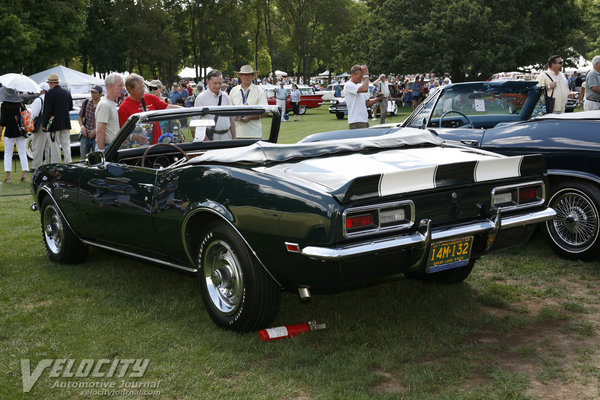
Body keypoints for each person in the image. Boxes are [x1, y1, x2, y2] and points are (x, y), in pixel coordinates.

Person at [118, 73, 181, 144]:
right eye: (139, 88)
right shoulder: (124, 107)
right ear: (130, 90)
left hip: (157, 145)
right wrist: (133, 137)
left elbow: (168, 107)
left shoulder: (150, 98)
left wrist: (190, 110)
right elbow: (120, 133)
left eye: (143, 87)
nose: (143, 90)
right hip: (138, 151)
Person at [193, 69, 236, 141]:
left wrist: (234, 138)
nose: (218, 86)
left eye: (220, 83)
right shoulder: (201, 98)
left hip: (227, 137)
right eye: (215, 83)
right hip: (212, 138)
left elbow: (231, 118)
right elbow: (197, 123)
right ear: (207, 82)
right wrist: (208, 142)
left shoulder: (225, 96)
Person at [229, 64, 268, 138]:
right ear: (240, 76)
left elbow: (266, 112)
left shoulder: (259, 91)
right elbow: (228, 111)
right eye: (244, 75)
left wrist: (250, 117)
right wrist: (235, 117)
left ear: (252, 76)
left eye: (249, 75)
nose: (246, 77)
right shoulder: (233, 91)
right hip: (236, 134)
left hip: (254, 134)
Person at [41, 73, 73, 163]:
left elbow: (47, 110)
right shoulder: (66, 92)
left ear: (50, 83)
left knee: (55, 146)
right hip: (66, 122)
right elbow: (70, 107)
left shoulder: (50, 93)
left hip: (54, 124)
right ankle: (69, 163)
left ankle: (57, 165)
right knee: (66, 145)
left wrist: (44, 124)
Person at [0, 88, 29, 182]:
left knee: (8, 154)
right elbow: (25, 115)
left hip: (9, 132)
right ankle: (24, 175)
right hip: (21, 131)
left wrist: (0, 133)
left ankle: (8, 176)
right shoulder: (20, 103)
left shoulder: (4, 105)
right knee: (22, 153)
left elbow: (2, 122)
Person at [342, 64, 382, 129]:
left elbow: (367, 103)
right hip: (356, 121)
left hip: (364, 120)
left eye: (362, 76)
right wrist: (366, 75)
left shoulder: (359, 86)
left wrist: (378, 98)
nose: (361, 78)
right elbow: (365, 89)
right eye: (360, 76)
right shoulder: (348, 85)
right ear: (352, 75)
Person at [96, 73, 124, 151]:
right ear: (110, 86)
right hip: (107, 148)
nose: (122, 89)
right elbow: (100, 131)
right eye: (119, 86)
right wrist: (101, 152)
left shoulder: (111, 103)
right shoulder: (105, 104)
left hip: (112, 146)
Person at [30, 83, 50, 171]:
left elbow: (34, 114)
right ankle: (48, 164)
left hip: (40, 124)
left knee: (37, 146)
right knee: (48, 147)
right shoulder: (50, 99)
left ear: (42, 90)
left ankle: (36, 166)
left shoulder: (38, 100)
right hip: (49, 124)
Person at [78, 85, 102, 158]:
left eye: (95, 93)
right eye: (91, 92)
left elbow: (106, 122)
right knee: (83, 158)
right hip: (85, 134)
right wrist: (82, 127)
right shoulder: (86, 102)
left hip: (97, 135)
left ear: (100, 94)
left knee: (96, 159)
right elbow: (80, 116)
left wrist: (96, 131)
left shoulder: (103, 105)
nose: (93, 94)